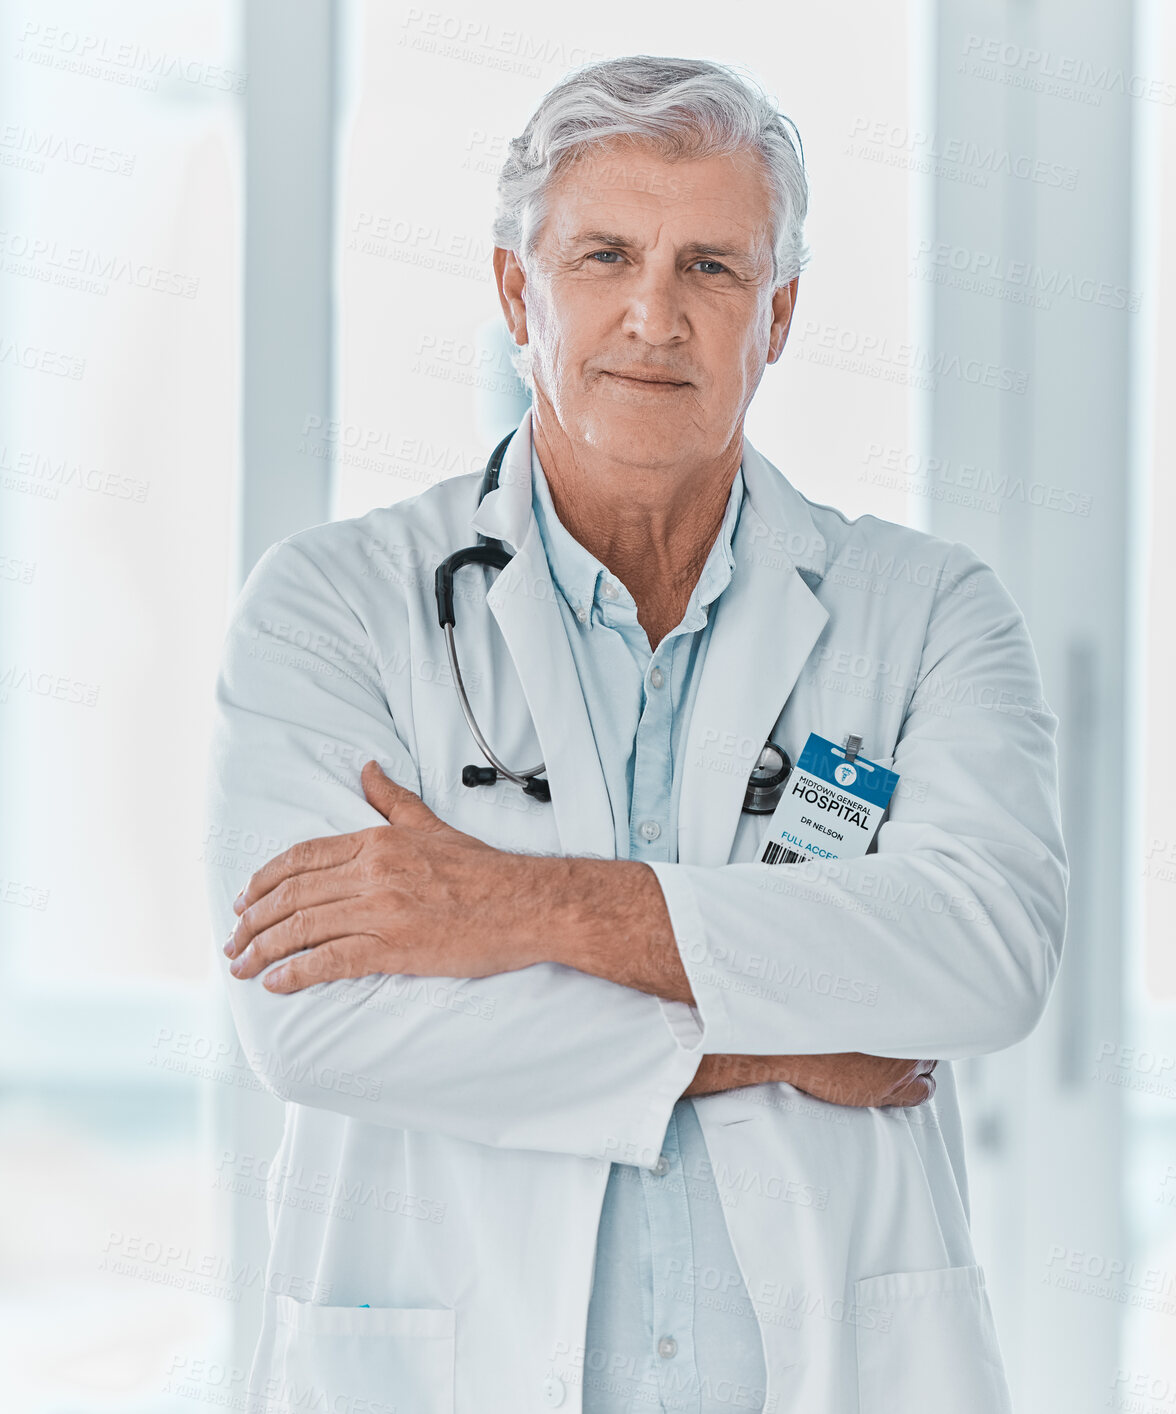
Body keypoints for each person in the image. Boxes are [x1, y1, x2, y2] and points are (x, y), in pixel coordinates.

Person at [206, 53, 1068, 1414]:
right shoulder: (334, 606)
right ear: (516, 293)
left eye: (712, 269)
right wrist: (774, 1042)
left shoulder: (926, 609)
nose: (653, 316)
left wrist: (517, 907)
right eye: (605, 254)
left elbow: (984, 955)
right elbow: (318, 1026)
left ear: (777, 316)